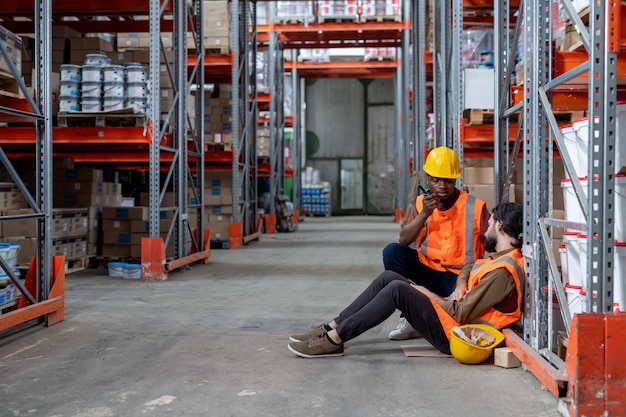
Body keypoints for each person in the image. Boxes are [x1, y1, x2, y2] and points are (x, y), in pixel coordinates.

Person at [287, 202, 524, 358]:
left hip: (460, 335)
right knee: (390, 276)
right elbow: (471, 266)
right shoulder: (500, 258)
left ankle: (336, 339)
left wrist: (426, 293)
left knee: (398, 290)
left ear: (501, 226)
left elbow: (461, 312)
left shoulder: (503, 273)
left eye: (491, 223)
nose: (486, 229)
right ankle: (332, 327)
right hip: (454, 319)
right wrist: (462, 283)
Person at [384, 146, 490, 340]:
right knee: (392, 251)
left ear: (456, 179)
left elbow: (494, 245)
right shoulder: (420, 204)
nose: (442, 185)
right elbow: (404, 240)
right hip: (428, 272)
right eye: (436, 180)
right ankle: (409, 315)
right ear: (427, 179)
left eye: (448, 180)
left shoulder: (475, 206)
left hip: (459, 281)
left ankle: (440, 313)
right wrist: (424, 213)